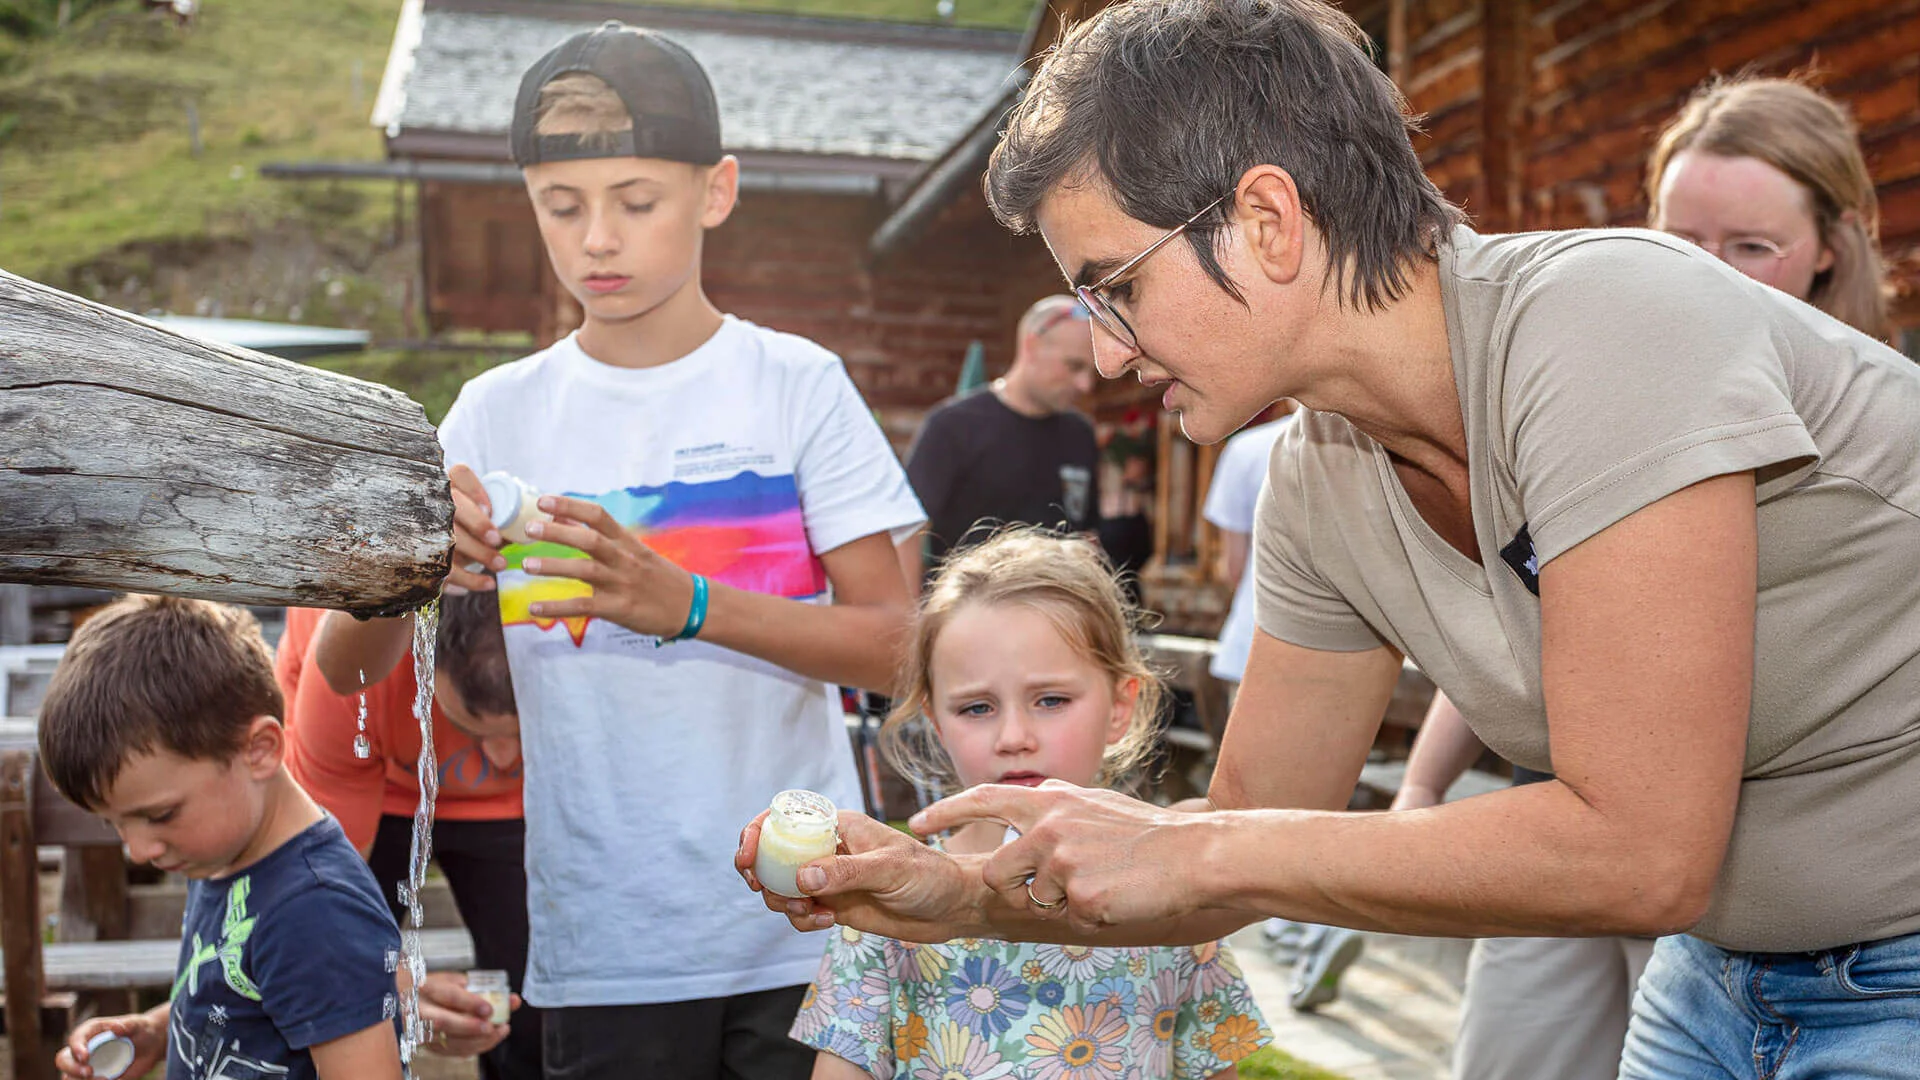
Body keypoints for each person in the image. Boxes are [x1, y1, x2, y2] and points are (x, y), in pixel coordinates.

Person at [735, 3, 1920, 1076]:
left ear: (1267, 219)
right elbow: (1239, 829)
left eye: (1117, 289)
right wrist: (960, 896)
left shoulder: (1607, 321)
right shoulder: (1314, 474)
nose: (1105, 353)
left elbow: (1639, 850)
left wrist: (1208, 851)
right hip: (1714, 976)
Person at [321, 21, 924, 1080]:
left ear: (716, 191)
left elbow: (902, 648)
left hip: (804, 918)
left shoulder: (797, 384)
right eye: (563, 206)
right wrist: (409, 568)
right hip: (609, 944)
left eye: (636, 202)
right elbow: (341, 668)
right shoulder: (495, 412)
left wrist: (689, 602)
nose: (598, 238)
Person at [1395, 73, 1897, 1080]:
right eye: (1683, 241)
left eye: (1752, 247)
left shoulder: (1877, 427)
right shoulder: (1580, 391)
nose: (1707, 278)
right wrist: (1421, 782)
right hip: (1554, 816)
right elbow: (1516, 610)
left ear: (1831, 248)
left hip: (1761, 874)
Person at [778, 529, 1272, 1079]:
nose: (1014, 735)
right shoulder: (889, 902)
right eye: (977, 708)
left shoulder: (1171, 894)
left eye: (1051, 700)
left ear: (1119, 706)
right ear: (936, 722)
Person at [39, 596, 403, 1080]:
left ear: (259, 751)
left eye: (160, 814)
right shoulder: (222, 851)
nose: (139, 850)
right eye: (115, 823)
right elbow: (247, 1000)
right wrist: (158, 1031)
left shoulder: (316, 913)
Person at [281, 592, 539, 1080]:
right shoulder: (347, 685)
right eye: (475, 731)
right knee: (338, 989)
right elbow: (321, 904)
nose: (503, 759)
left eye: (521, 732)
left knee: (535, 997)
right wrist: (396, 987)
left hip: (512, 806)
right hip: (372, 781)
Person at [1202, 412, 1362, 1011]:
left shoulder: (1245, 448)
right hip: (1345, 646)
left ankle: (1285, 920)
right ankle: (1310, 924)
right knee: (1327, 799)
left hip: (1254, 638)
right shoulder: (1365, 440)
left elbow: (1232, 565)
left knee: (1257, 800)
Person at [900, 295, 1101, 585]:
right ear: (1031, 346)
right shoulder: (954, 426)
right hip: (967, 615)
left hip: (1052, 617)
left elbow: (1088, 535)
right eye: (1074, 366)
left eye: (1091, 371)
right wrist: (909, 621)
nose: (1086, 385)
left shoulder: (1080, 434)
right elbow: (908, 528)